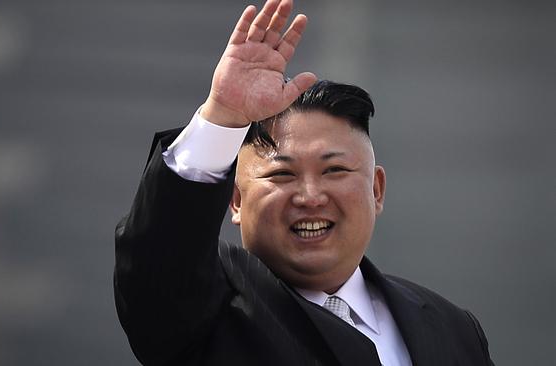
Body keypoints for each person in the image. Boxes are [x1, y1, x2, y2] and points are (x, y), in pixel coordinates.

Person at [114, 0, 494, 365]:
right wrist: (223, 116)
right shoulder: (208, 306)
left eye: (334, 171)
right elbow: (160, 262)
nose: (310, 196)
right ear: (237, 201)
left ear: (376, 190)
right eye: (282, 174)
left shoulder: (452, 328)